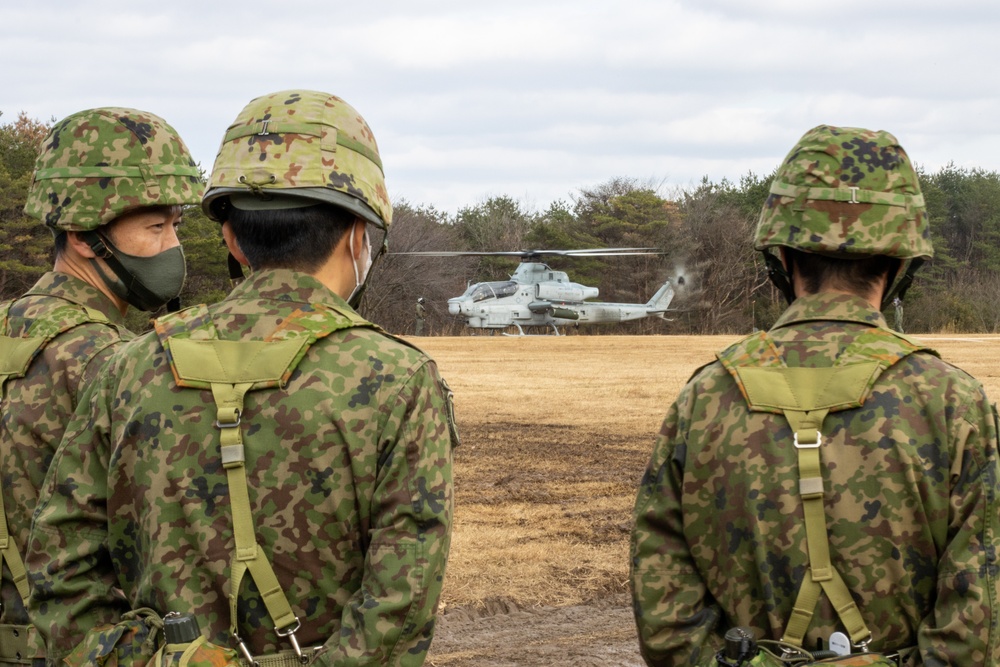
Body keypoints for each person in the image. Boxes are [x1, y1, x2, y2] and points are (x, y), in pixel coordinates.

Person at [27, 90, 458, 667]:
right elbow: (400, 605)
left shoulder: (128, 366)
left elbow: (60, 564)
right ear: (361, 234)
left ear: (230, 236)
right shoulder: (399, 379)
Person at [630, 125, 1000, 666]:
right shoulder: (953, 402)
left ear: (781, 255)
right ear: (900, 262)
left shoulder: (706, 396)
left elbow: (662, 598)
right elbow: (980, 615)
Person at [0, 107, 202, 665]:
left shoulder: (9, 326)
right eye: (155, 227)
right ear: (84, 237)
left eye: (176, 226)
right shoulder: (112, 362)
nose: (172, 246)